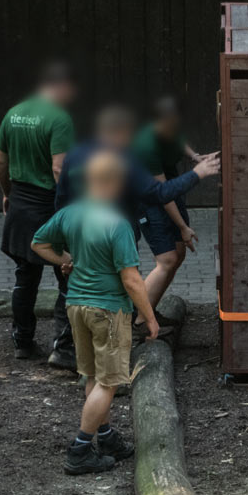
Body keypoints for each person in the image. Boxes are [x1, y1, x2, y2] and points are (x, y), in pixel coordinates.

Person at [51, 104, 219, 368]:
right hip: (112, 235)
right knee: (119, 287)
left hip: (81, 234)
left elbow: (61, 200)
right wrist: (197, 174)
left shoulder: (76, 155)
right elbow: (160, 193)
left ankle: (69, 350)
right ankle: (109, 362)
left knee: (79, 289)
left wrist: (64, 248)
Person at [31, 150, 159, 475]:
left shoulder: (71, 214)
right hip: (109, 311)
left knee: (92, 375)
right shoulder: (118, 225)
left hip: (76, 307)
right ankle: (80, 449)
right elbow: (131, 279)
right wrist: (149, 316)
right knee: (108, 382)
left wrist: (64, 260)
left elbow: (38, 242)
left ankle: (106, 436)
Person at [0, 60, 76, 361]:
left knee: (24, 277)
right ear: (60, 86)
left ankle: (23, 342)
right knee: (67, 274)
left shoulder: (13, 113)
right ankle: (64, 349)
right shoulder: (59, 119)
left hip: (20, 204)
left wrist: (7, 194)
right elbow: (59, 169)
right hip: (49, 206)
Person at [131, 94, 211, 337]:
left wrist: (196, 157)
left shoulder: (169, 131)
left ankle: (149, 311)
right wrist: (183, 227)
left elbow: (178, 141)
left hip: (168, 194)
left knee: (178, 254)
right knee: (166, 260)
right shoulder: (146, 145)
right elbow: (162, 194)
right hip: (151, 201)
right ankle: (136, 321)